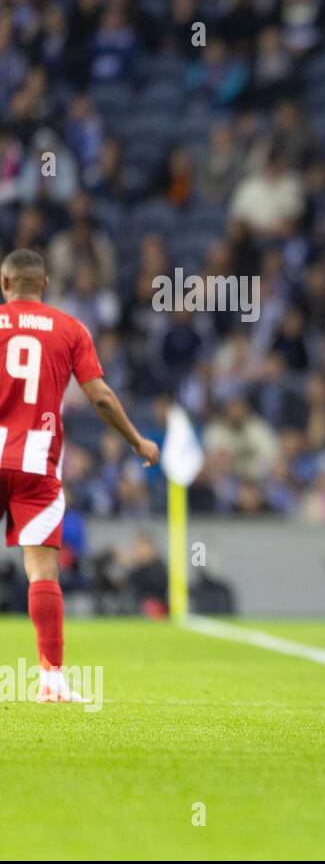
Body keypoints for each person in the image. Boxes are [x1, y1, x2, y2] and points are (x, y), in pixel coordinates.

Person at [0, 248, 159, 700]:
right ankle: (50, 679)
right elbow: (102, 397)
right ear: (44, 284)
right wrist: (136, 441)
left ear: (5, 283)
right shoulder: (69, 329)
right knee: (42, 573)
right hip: (36, 466)